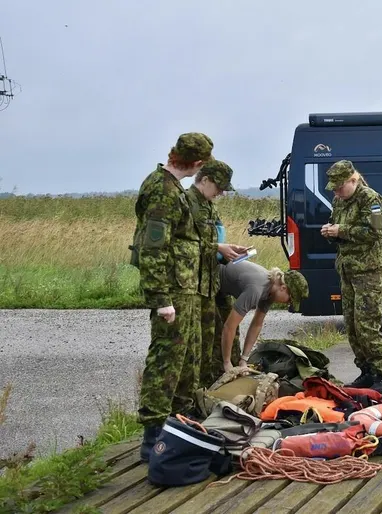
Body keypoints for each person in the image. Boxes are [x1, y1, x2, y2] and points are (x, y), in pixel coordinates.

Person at [132, 132, 225, 462]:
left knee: (187, 360)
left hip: (188, 288)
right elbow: (153, 250)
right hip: (174, 289)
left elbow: (186, 240)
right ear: (197, 164)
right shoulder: (163, 190)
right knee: (166, 361)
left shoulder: (172, 189)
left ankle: (179, 424)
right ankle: (154, 432)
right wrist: (161, 298)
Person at [320, 159, 382, 393]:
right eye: (333, 188)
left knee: (367, 325)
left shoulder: (371, 199)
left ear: (353, 180)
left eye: (340, 186)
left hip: (369, 270)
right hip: (348, 268)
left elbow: (375, 232)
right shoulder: (338, 200)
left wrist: (340, 230)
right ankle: (366, 370)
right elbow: (340, 227)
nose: (336, 192)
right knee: (352, 326)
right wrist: (331, 232)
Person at [184, 159, 247, 388]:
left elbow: (210, 240)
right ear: (205, 180)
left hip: (211, 281)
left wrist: (227, 248)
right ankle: (196, 391)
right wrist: (217, 248)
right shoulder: (186, 203)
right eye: (218, 187)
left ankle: (214, 387)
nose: (220, 193)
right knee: (197, 344)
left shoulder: (208, 204)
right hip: (191, 284)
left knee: (213, 339)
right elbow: (182, 245)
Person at [217, 262, 309, 373]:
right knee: (214, 332)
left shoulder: (271, 292)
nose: (288, 304)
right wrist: (227, 363)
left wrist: (244, 360)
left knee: (233, 343)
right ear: (283, 288)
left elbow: (257, 324)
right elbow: (229, 326)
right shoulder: (256, 289)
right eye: (289, 300)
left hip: (223, 289)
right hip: (211, 277)